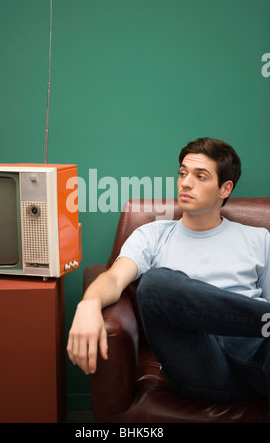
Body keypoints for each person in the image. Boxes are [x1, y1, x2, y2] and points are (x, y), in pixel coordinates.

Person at [67, 137, 270, 405]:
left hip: (257, 358)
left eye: (200, 176)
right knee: (156, 285)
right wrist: (88, 304)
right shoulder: (152, 235)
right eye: (183, 173)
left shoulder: (259, 239)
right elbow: (115, 278)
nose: (185, 182)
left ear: (225, 188)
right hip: (201, 368)